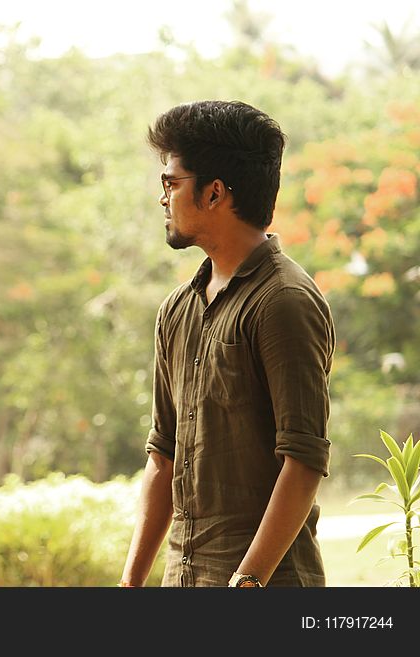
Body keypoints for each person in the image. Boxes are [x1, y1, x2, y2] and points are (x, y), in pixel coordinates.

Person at [119, 101, 335, 588]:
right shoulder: (176, 310)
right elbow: (163, 456)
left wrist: (246, 585)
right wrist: (130, 584)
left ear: (214, 193)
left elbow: (303, 462)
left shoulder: (284, 301)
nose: (164, 199)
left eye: (171, 184)